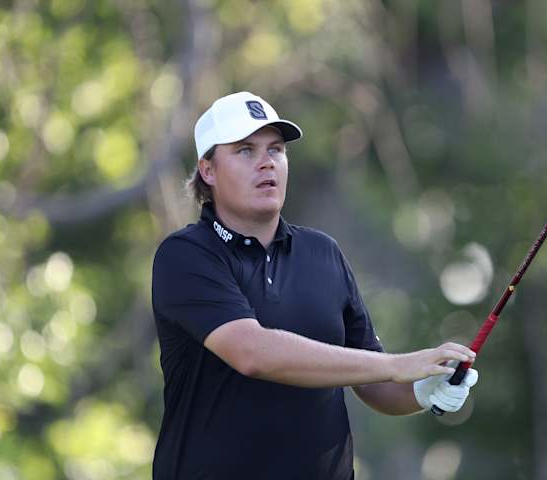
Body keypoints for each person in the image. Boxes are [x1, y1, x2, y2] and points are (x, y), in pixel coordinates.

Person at [151, 91, 479, 479]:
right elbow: (252, 353)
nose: (266, 163)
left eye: (276, 150)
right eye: (245, 151)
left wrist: (424, 390)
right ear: (208, 170)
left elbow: (375, 385)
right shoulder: (186, 255)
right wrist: (397, 365)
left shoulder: (323, 253)